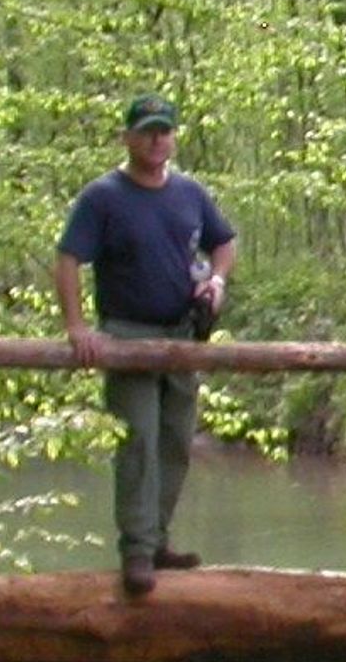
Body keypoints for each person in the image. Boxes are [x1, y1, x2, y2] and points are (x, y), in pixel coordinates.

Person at [55, 91, 236, 599]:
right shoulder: (103, 197)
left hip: (182, 334)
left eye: (166, 131)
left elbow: (224, 241)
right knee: (138, 439)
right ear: (128, 137)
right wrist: (77, 328)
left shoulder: (190, 193)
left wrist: (216, 282)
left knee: (176, 438)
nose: (158, 140)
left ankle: (157, 539)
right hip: (127, 334)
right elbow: (68, 258)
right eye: (148, 131)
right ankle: (136, 548)